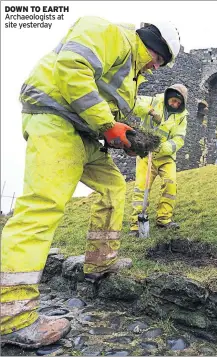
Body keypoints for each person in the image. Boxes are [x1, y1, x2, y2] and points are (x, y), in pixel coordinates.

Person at [0, 17, 181, 348]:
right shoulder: (109, 33)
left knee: (114, 188)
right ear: (153, 46)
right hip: (55, 120)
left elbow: (105, 105)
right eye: (158, 61)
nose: (155, 69)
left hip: (85, 134)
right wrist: (107, 125)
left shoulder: (130, 68)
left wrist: (120, 135)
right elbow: (72, 67)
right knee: (42, 206)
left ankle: (100, 262)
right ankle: (12, 317)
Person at [129, 84, 189, 235]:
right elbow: (134, 102)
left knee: (170, 184)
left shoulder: (182, 116)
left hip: (166, 157)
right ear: (169, 96)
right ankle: (136, 225)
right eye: (173, 100)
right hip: (145, 154)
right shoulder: (155, 101)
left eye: (178, 103)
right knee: (141, 189)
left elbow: (179, 139)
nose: (175, 105)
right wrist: (150, 111)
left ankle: (164, 219)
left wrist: (163, 148)